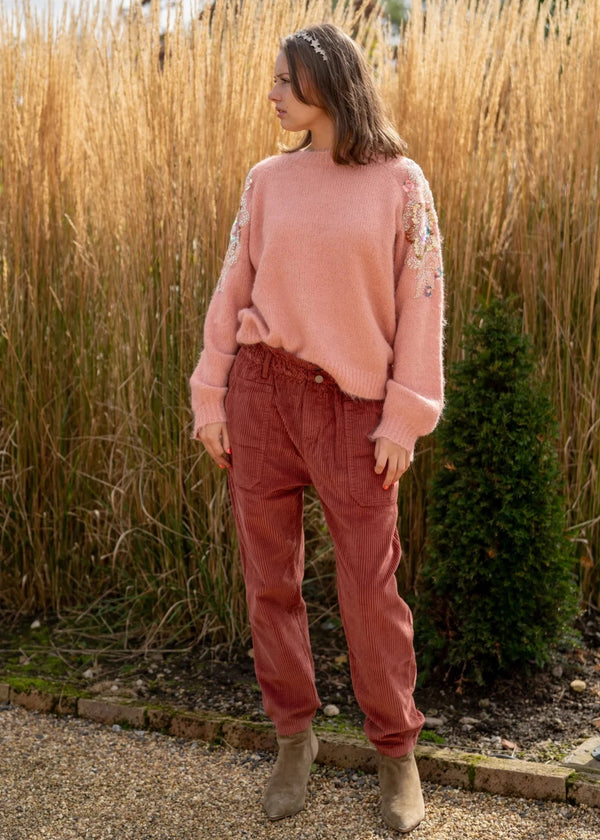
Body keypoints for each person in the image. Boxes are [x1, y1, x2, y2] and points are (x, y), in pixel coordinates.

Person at [189, 22, 444, 834]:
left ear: (326, 86)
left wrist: (404, 418)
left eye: (282, 81)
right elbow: (233, 288)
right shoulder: (265, 180)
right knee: (271, 582)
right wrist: (210, 396)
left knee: (370, 589)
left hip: (355, 412)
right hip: (260, 398)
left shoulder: (401, 184)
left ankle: (396, 754)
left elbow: (423, 307)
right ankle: (292, 739)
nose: (269, 93)